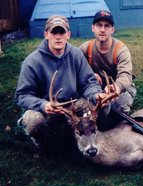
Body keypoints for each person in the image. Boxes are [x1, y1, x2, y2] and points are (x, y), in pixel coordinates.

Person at [14, 15, 108, 158]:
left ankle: (85, 138)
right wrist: (43, 104)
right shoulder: (32, 62)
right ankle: (41, 145)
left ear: (68, 35)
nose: (58, 37)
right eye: (54, 32)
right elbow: (21, 95)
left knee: (102, 105)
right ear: (46, 34)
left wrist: (96, 94)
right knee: (32, 121)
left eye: (62, 32)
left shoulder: (75, 54)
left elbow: (88, 82)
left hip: (73, 104)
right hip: (48, 108)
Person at [79, 10, 136, 116]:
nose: (102, 30)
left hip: (119, 89)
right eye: (99, 25)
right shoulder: (85, 48)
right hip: (96, 88)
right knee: (84, 106)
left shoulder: (120, 49)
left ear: (112, 29)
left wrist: (117, 87)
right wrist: (89, 75)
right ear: (93, 28)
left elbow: (125, 75)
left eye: (107, 26)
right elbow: (73, 69)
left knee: (117, 107)